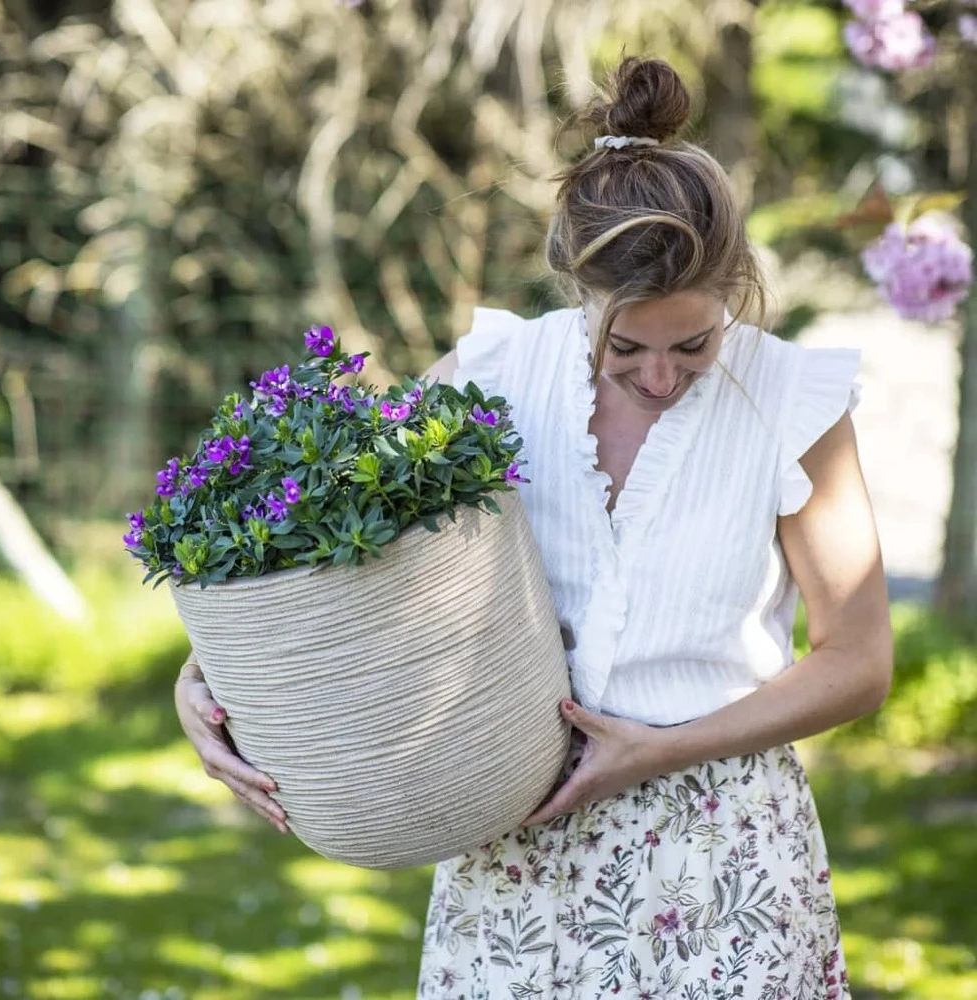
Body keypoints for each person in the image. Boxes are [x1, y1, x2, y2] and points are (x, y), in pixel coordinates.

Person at [175, 57, 892, 999]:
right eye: (625, 346)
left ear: (736, 290)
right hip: (515, 838)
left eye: (695, 343)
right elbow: (338, 568)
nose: (663, 377)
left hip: (722, 851)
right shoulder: (495, 376)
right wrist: (213, 678)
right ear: (578, 289)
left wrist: (662, 749)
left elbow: (859, 661)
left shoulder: (794, 400)